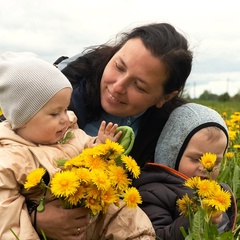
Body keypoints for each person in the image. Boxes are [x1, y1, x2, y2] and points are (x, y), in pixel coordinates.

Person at [30, 22, 193, 239]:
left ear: (165, 97)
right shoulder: (58, 87)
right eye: (119, 66)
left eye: (140, 86)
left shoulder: (172, 129)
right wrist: (35, 217)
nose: (117, 87)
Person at [0, 52, 155, 240]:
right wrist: (32, 220)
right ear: (23, 118)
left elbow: (87, 150)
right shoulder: (9, 159)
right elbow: (8, 218)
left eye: (66, 109)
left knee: (123, 213)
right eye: (55, 113)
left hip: (93, 212)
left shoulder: (69, 134)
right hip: (52, 229)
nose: (65, 118)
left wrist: (99, 146)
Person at [133, 103, 237, 240]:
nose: (206, 167)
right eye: (196, 159)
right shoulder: (154, 192)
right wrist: (197, 217)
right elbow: (157, 236)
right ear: (172, 154)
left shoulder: (218, 192)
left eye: (215, 162)